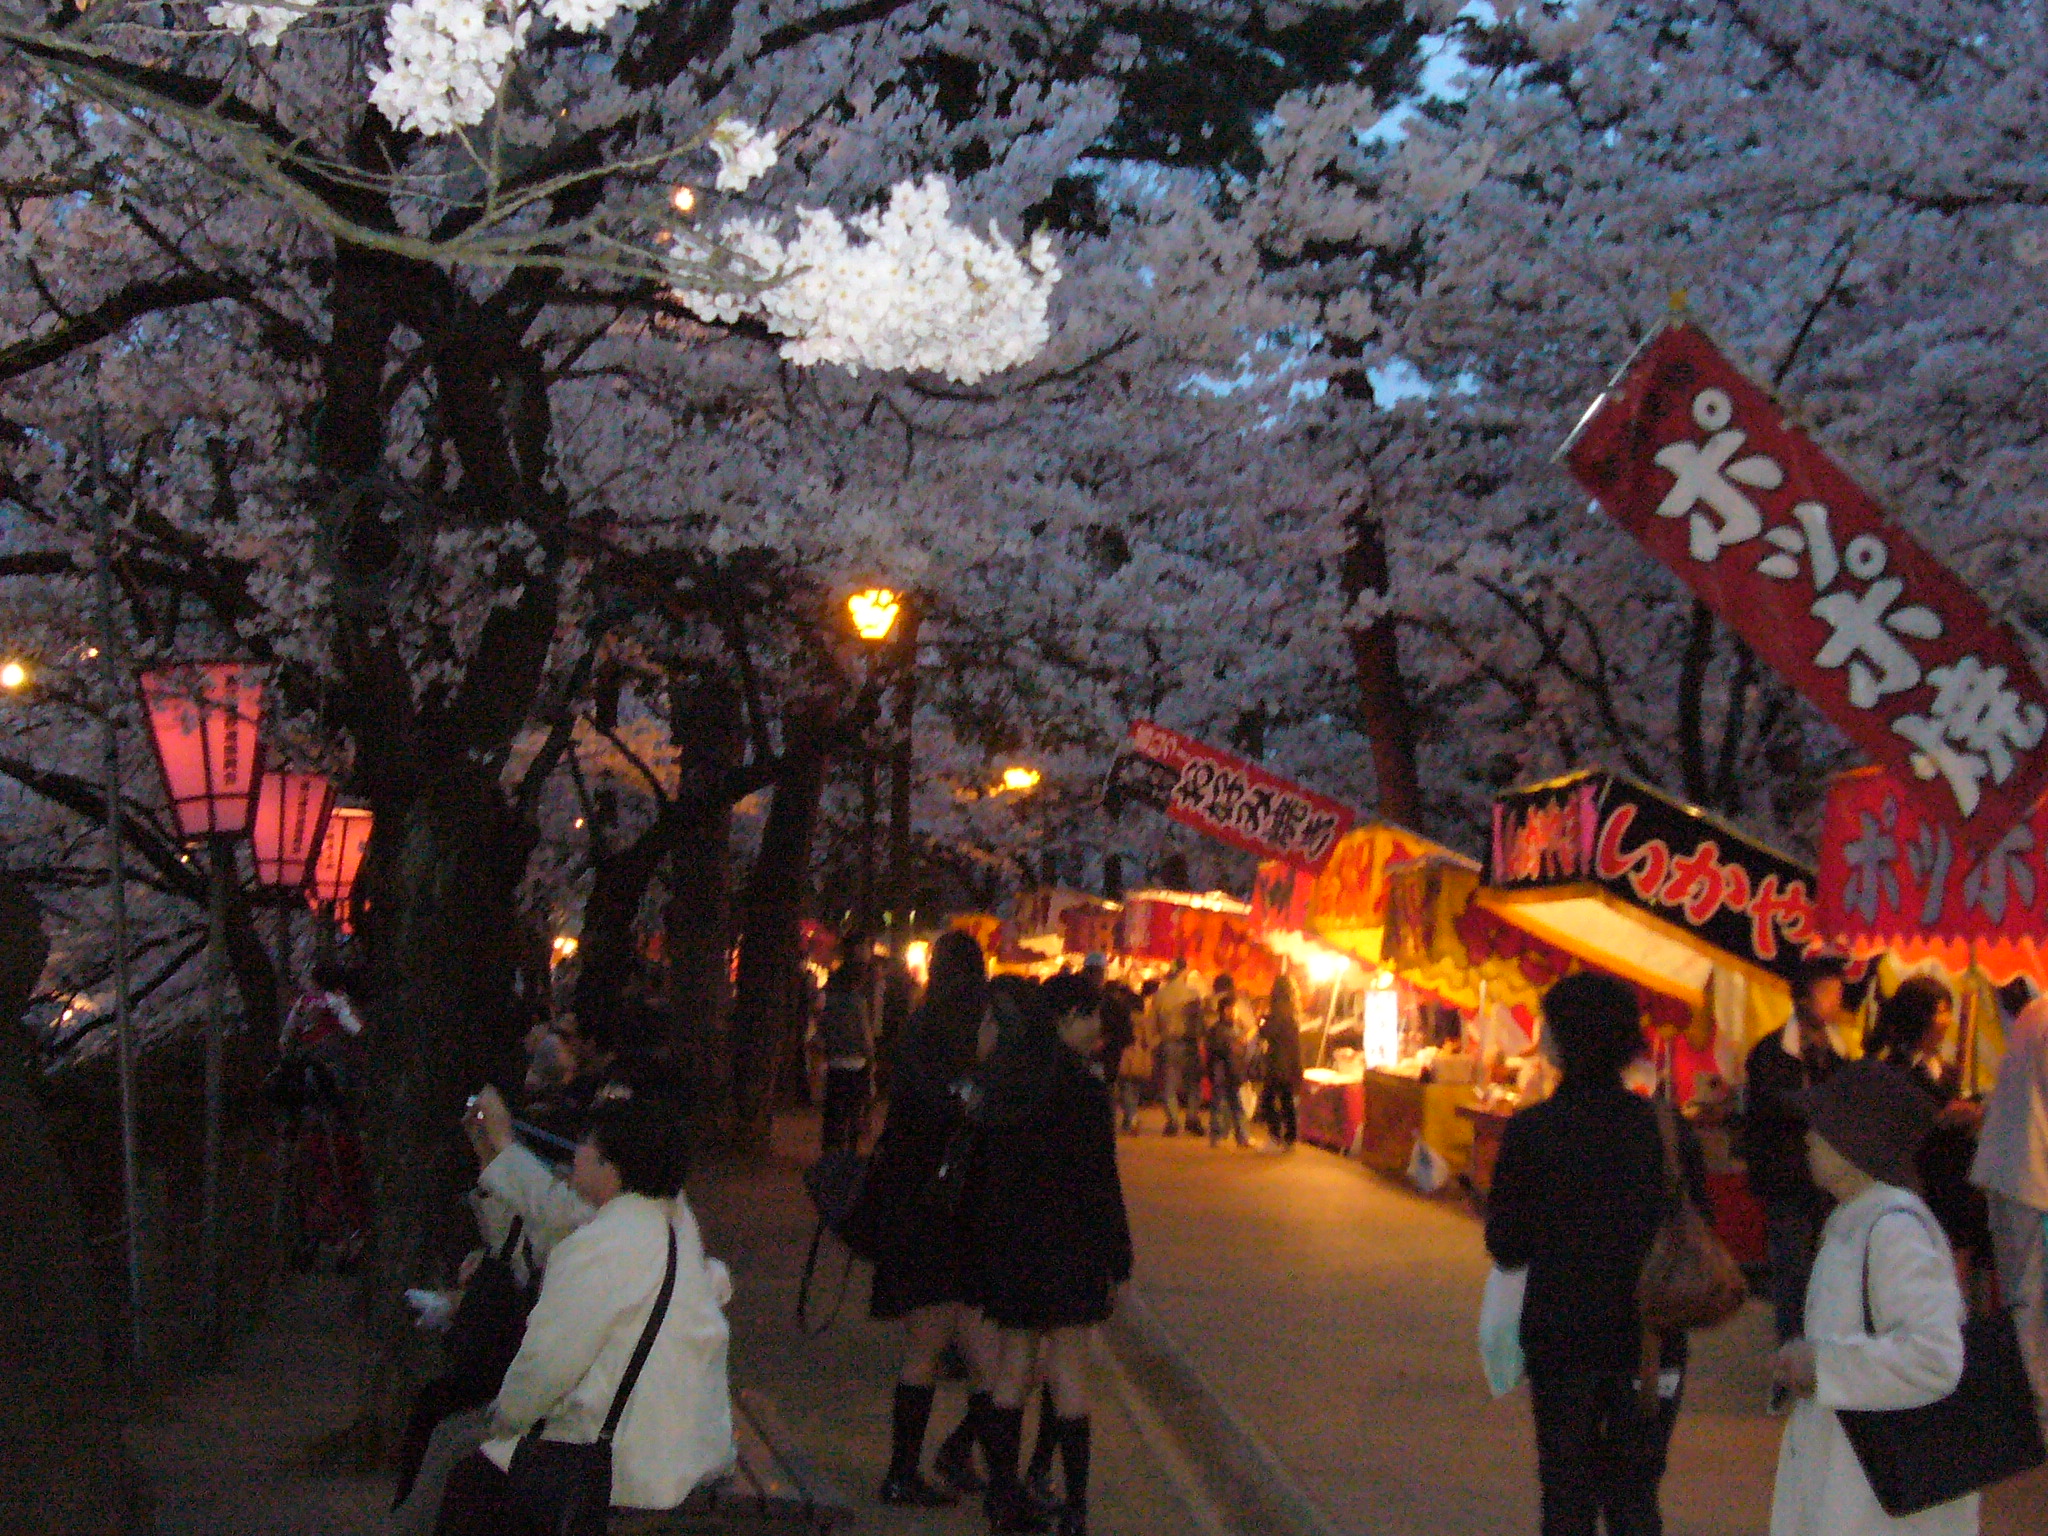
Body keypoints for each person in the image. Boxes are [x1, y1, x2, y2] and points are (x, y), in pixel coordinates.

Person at [434, 1095, 736, 1534]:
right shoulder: (669, 1225)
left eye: (584, 1146)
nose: (573, 1155)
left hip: (624, 1466)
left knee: (467, 1474)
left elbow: (545, 1367)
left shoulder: (600, 1245)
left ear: (611, 1167)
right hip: (680, 1444)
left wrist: (505, 1418)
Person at [1485, 972, 1702, 1536]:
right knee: (1635, 1498)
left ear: (1557, 1041)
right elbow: (1700, 1228)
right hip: (1653, 1345)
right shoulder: (1669, 1131)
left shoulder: (1534, 1131)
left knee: (1567, 1496)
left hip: (1564, 1342)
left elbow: (1506, 1247)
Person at [1768, 1057, 1972, 1536]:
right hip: (1858, 1488)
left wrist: (1821, 1367)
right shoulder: (1857, 1222)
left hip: (1877, 1500)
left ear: (1854, 1143)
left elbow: (1934, 1357)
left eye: (1820, 1126)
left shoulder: (1893, 1231)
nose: (1807, 1136)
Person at [961, 973, 1133, 1536]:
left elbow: (986, 1176)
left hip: (1015, 1245)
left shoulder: (1011, 1083)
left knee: (1014, 1368)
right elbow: (1102, 1180)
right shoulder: (1084, 1092)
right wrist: (1117, 1252)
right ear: (1061, 1019)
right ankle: (1075, 1509)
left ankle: (1003, 1497)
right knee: (1069, 1371)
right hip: (1072, 1245)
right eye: (1088, 1016)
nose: (1097, 1028)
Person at [857, 930, 997, 1507]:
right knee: (995, 1356)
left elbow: (908, 1113)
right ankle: (962, 1457)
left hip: (912, 1206)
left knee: (923, 1347)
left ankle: (903, 1469)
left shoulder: (917, 1026)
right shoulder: (975, 1030)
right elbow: (965, 1117)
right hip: (956, 1210)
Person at [1743, 955, 1853, 1351]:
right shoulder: (1770, 1054)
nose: (1838, 1002)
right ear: (1805, 1000)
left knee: (1829, 1269)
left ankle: (1824, 1351)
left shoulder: (1840, 1052)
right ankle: (1791, 1355)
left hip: (1831, 1182)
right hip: (1787, 1180)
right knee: (1792, 1270)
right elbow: (1767, 1111)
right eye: (1831, 993)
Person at [1864, 977, 1991, 1287]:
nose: (1946, 1021)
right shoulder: (1892, 1071)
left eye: (1948, 1011)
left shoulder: (1947, 1071)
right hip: (1922, 1188)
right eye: (1939, 1012)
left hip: (1957, 1187)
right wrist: (1939, 1120)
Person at [1971, 982, 2048, 1440]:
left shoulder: (2032, 1016)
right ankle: (2036, 1417)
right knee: (2032, 1303)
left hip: (2015, 1174)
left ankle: (2030, 1410)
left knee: (2026, 1298)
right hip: (2030, 1180)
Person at [818, 952, 876, 1154]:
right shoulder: (858, 1002)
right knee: (854, 1109)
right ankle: (850, 1151)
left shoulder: (831, 1001)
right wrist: (871, 1055)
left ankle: (831, 1151)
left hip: (835, 1061)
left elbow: (823, 1028)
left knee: (834, 1111)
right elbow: (864, 1034)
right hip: (856, 1062)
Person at [1152, 965, 1205, 1137]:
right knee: (1192, 1084)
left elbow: (1154, 1021)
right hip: (1189, 1043)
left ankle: (1173, 1121)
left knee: (1169, 1084)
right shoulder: (1193, 994)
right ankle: (1192, 1118)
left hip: (1168, 1042)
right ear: (1183, 973)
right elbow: (1199, 1021)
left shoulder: (1160, 995)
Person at [1259, 970, 1304, 1149]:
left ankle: (1275, 1136)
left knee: (1268, 1100)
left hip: (1277, 1063)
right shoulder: (1292, 1013)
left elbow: (1267, 1033)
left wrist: (1262, 1021)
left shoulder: (1277, 1013)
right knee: (1286, 1102)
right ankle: (1290, 1138)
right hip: (1290, 1064)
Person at [1205, 975, 1250, 1148]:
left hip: (1233, 1072)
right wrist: (1231, 1046)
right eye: (1231, 1009)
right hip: (1222, 1072)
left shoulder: (1236, 1029)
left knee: (1236, 1105)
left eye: (1235, 1009)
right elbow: (1215, 1049)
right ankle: (1217, 1135)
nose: (1234, 1012)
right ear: (1224, 1011)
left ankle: (1241, 1137)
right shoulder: (1217, 1029)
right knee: (1219, 1104)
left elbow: (1240, 1051)